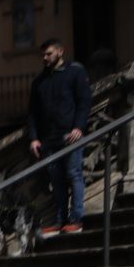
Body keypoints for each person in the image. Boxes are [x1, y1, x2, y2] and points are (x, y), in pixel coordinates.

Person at [27, 38, 91, 238]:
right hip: (49, 139)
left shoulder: (75, 72)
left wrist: (79, 127)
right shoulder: (39, 82)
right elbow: (32, 113)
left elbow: (84, 101)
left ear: (60, 52)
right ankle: (60, 219)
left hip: (69, 135)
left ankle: (76, 219)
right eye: (43, 55)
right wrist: (34, 138)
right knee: (57, 181)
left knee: (74, 174)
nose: (45, 58)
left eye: (49, 53)